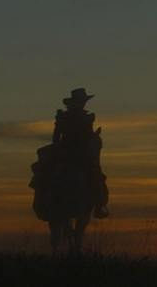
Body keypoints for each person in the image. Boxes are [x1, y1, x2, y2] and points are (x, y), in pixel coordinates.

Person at [52, 88, 109, 218]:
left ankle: (99, 205)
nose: (82, 104)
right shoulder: (64, 117)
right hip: (67, 153)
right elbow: (56, 136)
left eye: (83, 101)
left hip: (81, 154)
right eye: (80, 101)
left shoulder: (87, 118)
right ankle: (99, 205)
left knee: (98, 177)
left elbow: (88, 136)